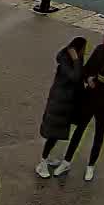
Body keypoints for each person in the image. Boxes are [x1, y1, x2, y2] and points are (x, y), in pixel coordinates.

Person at [63, 24, 104, 181]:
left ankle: (90, 166)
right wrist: (88, 79)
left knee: (99, 133)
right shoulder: (99, 50)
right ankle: (66, 161)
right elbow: (87, 69)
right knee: (79, 129)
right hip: (91, 96)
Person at [37, 37, 88, 176]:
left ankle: (46, 158)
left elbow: (80, 77)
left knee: (56, 134)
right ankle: (42, 162)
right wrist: (77, 60)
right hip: (59, 103)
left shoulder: (75, 61)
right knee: (53, 134)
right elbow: (75, 77)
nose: (85, 51)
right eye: (84, 48)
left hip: (67, 104)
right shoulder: (66, 61)